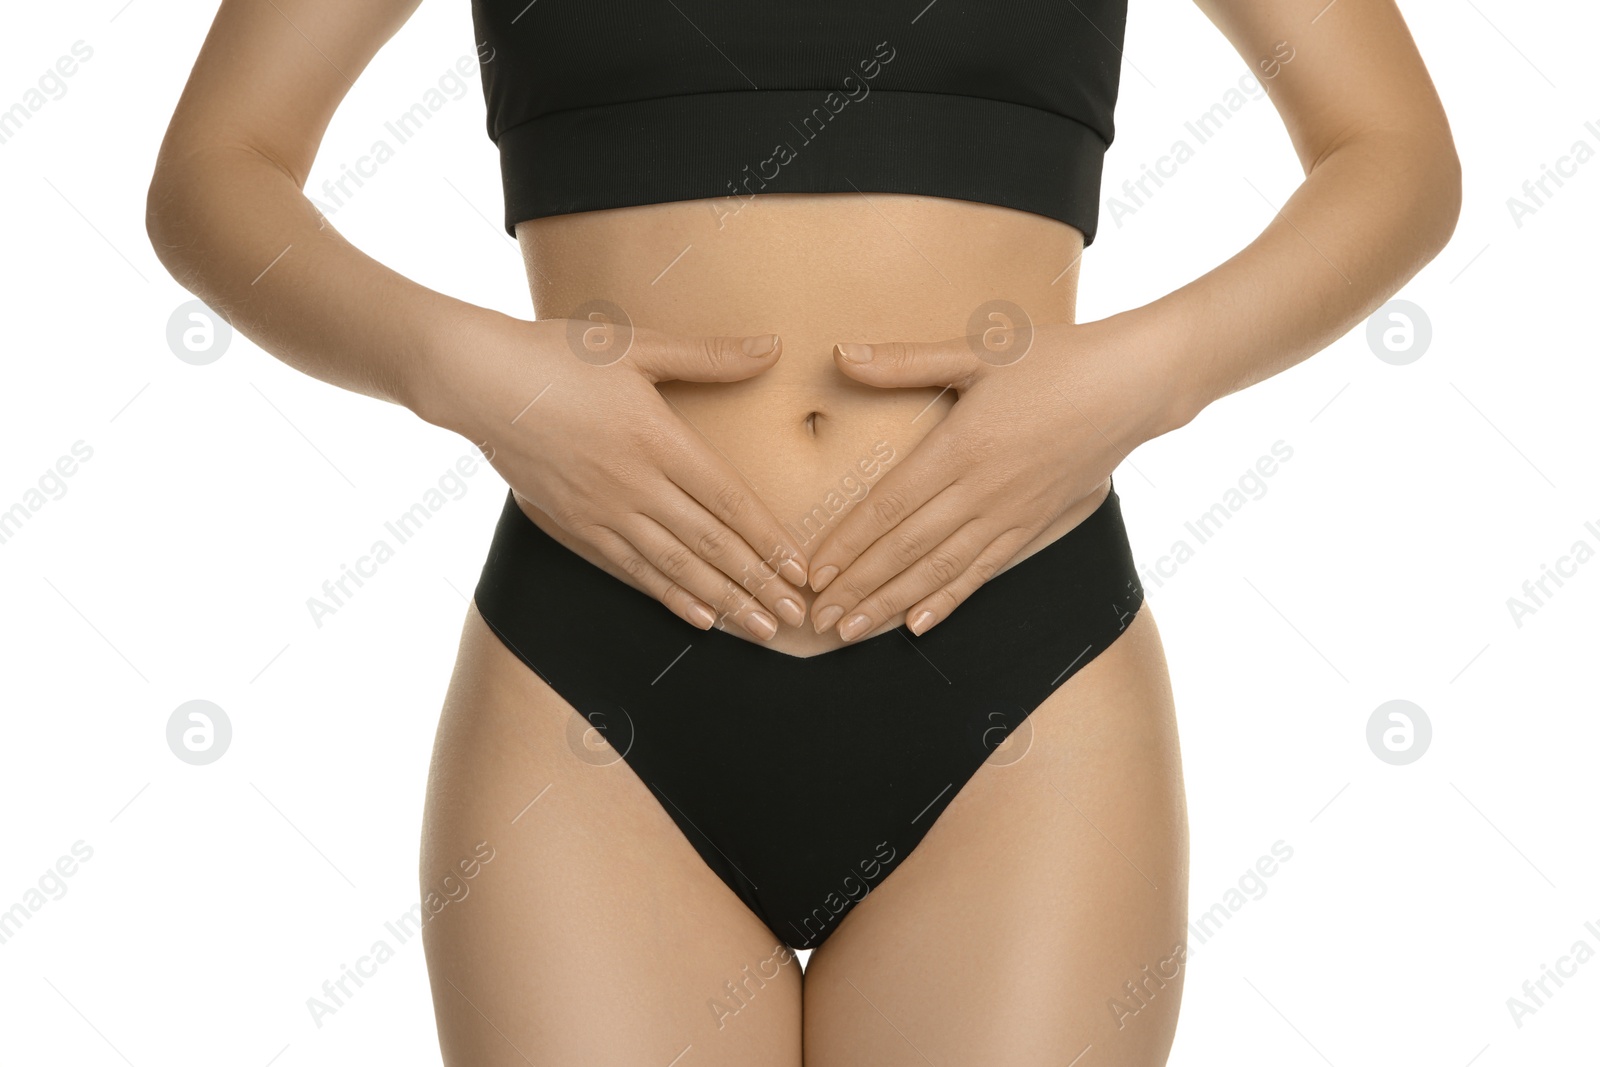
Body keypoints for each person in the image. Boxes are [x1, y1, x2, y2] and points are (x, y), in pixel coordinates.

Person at [145, 0, 1460, 1062]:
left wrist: (1140, 380)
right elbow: (216, 170)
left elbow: (1393, 155)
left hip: (1019, 672)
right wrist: (476, 374)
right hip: (595, 684)